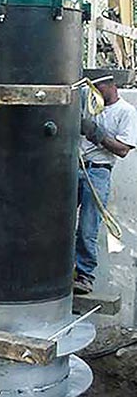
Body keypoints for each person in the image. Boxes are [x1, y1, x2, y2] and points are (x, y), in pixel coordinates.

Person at [74, 75, 137, 294]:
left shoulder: (125, 111)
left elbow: (122, 150)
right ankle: (57, 270)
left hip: (98, 171)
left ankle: (84, 276)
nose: (94, 93)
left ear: (110, 86)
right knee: (56, 222)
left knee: (87, 227)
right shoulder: (90, 105)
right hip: (74, 167)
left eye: (97, 87)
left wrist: (97, 134)